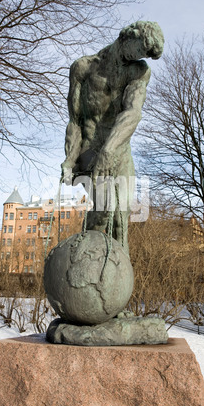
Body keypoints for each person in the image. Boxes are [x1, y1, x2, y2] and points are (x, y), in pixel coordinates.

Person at [61, 21, 164, 252]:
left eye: (146, 54)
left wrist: (110, 150)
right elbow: (75, 121)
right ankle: (85, 267)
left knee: (122, 219)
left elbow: (133, 111)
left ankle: (117, 285)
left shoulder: (139, 71)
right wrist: (69, 159)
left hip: (118, 148)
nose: (141, 57)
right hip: (90, 147)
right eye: (141, 50)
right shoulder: (83, 68)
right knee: (104, 209)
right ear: (129, 36)